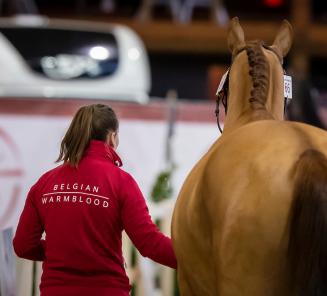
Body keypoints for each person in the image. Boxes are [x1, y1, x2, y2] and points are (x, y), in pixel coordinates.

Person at [13, 104, 177, 296]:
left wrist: (63, 248)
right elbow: (149, 243)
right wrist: (196, 257)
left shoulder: (45, 183)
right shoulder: (122, 182)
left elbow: (23, 246)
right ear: (112, 137)